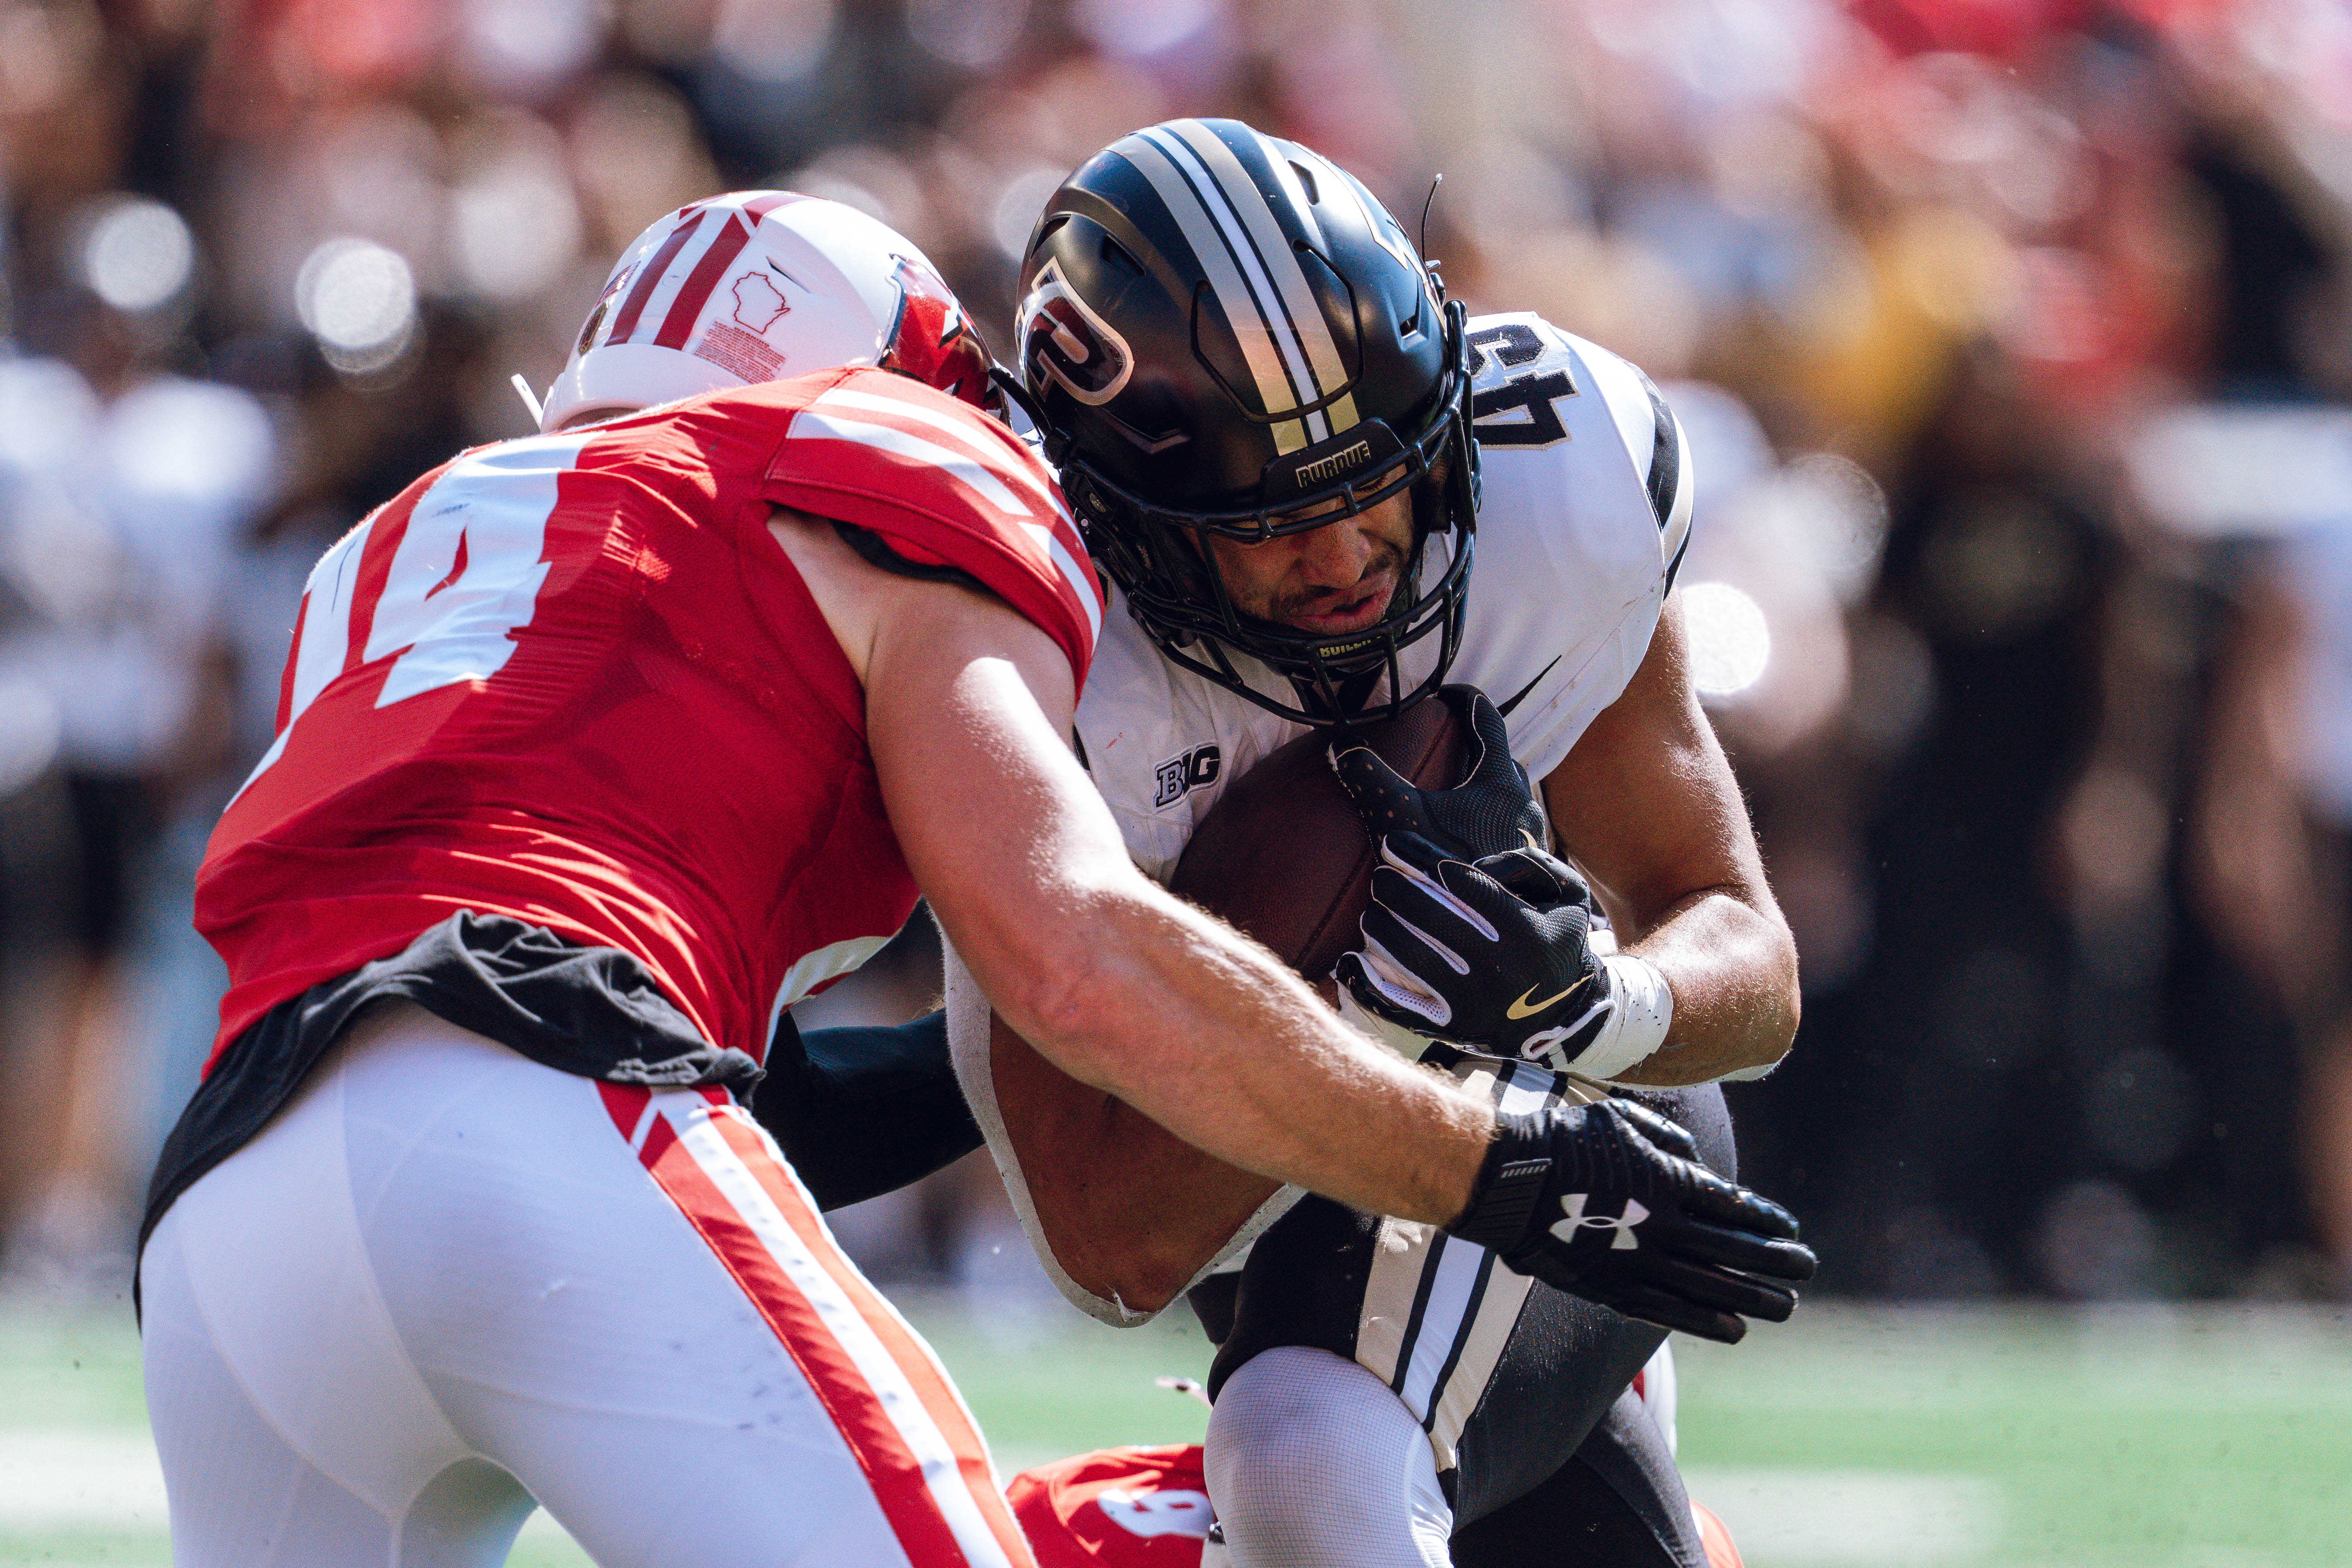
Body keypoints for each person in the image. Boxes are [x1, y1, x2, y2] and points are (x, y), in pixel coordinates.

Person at [137, 190, 1810, 1568]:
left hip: (232, 1206)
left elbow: (758, 1076)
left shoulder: (395, 555)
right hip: (555, 1118)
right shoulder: (886, 459)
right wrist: (1482, 1152)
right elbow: (1074, 958)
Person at [941, 118, 1804, 1568]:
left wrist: (1602, 1007)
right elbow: (1110, 1244)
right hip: (1253, 1190)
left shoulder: (1559, 479)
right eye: (1272, 521)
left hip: (1561, 1101)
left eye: (1373, 482)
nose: (1342, 557)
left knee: (1307, 1447)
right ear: (1122, 517)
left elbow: (1743, 946)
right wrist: (1358, 1004)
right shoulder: (1037, 648)